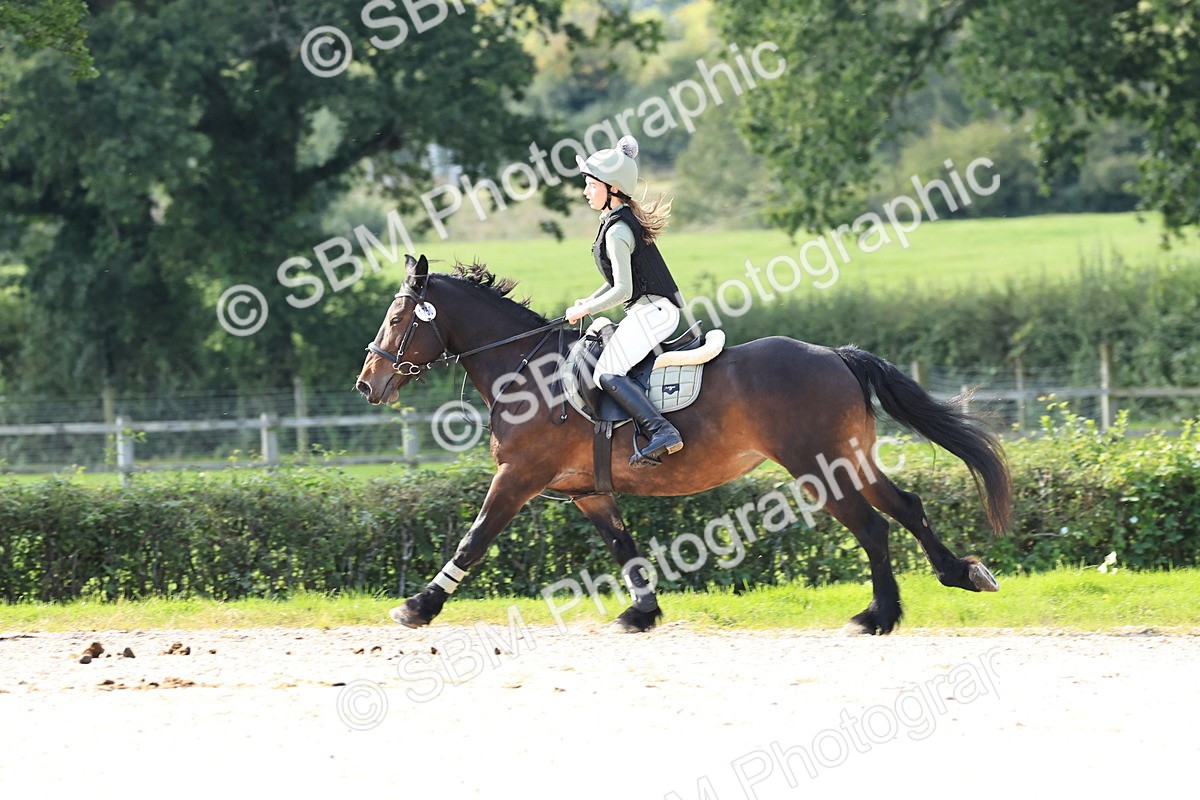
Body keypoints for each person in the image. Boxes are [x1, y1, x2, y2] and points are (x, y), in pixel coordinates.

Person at [565, 135, 685, 468]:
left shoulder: (618, 231)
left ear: (611, 188)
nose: (586, 191)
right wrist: (587, 300)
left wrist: (586, 309)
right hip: (650, 310)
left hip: (656, 312)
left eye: (591, 185)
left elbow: (621, 290)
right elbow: (616, 285)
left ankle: (662, 431)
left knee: (607, 371)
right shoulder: (615, 224)